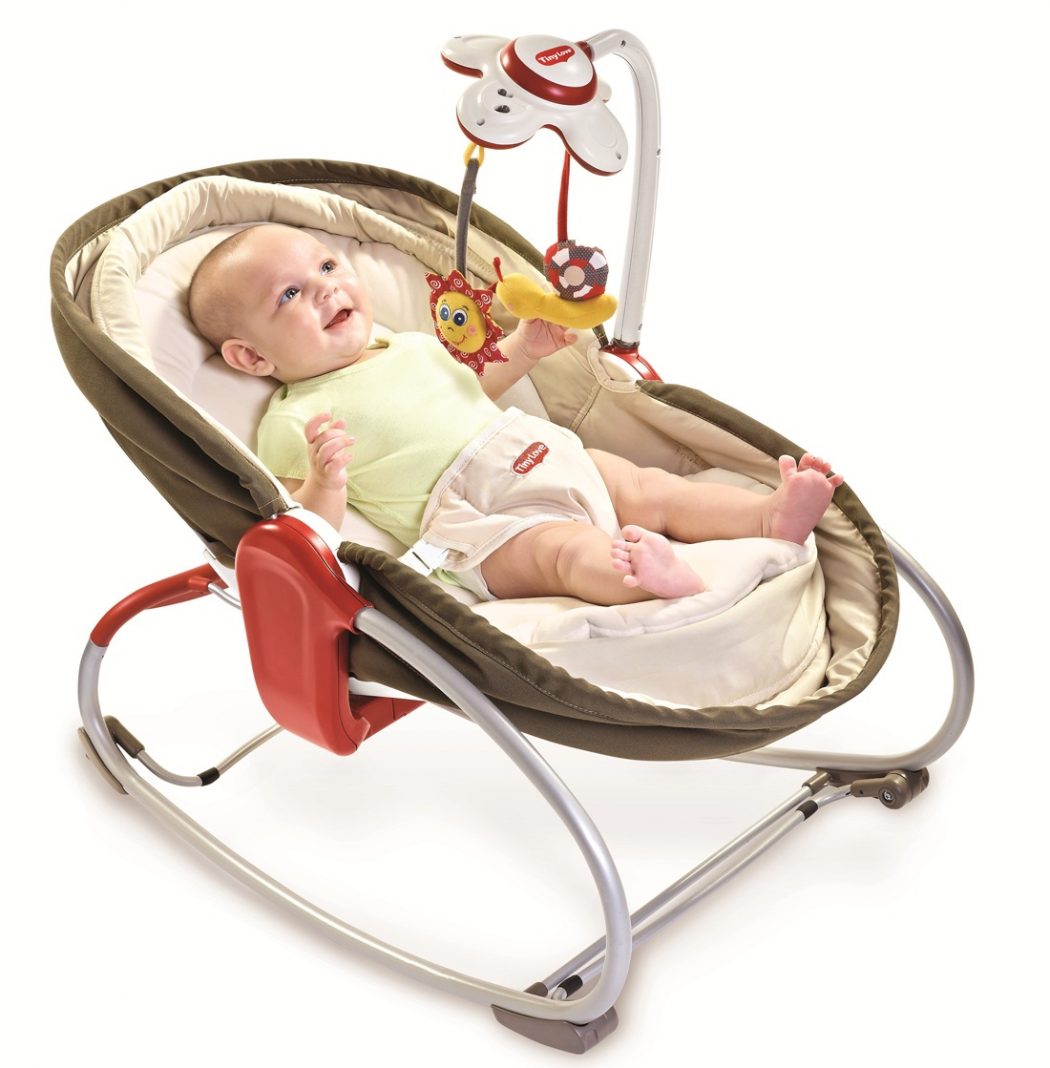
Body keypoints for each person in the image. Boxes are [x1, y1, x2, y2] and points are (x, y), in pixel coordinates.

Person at [188, 223, 842, 604]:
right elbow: (306, 528)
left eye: (328, 265)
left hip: (535, 449)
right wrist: (325, 483)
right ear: (250, 357)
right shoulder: (293, 418)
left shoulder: (407, 345)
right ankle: (644, 582)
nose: (327, 287)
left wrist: (524, 348)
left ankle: (765, 518)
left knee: (650, 488)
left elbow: (473, 384)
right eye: (291, 294)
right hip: (477, 520)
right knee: (562, 554)